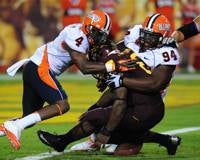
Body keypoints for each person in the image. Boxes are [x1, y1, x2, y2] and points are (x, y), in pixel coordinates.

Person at [37, 13, 181, 155]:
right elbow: (118, 58)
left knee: (106, 128)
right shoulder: (127, 46)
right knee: (100, 115)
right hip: (136, 93)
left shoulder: (165, 53)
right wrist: (96, 105)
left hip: (148, 100)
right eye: (144, 35)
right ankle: (168, 141)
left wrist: (106, 131)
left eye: (151, 37)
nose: (145, 40)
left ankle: (76, 140)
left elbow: (150, 86)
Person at [0, 10, 122, 150]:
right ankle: (15, 126)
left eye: (102, 35)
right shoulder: (77, 36)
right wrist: (113, 66)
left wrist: (102, 73)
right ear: (88, 27)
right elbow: (83, 67)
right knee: (62, 104)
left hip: (34, 68)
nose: (99, 38)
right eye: (97, 33)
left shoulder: (82, 34)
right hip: (40, 68)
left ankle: (14, 125)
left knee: (28, 119)